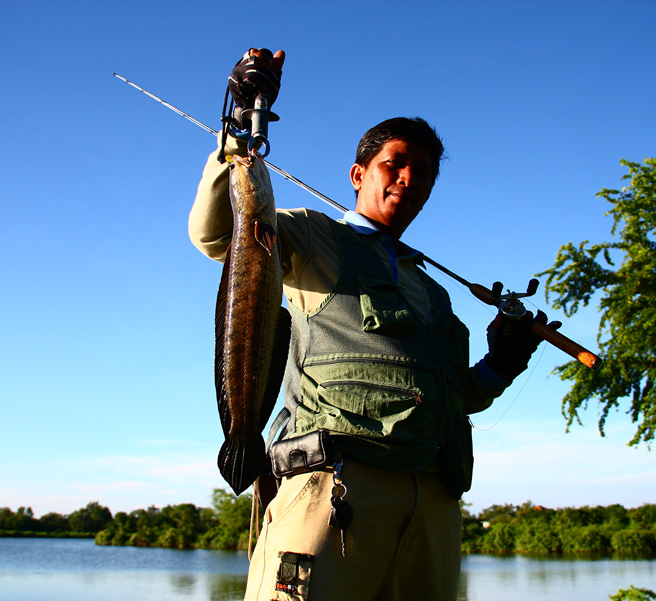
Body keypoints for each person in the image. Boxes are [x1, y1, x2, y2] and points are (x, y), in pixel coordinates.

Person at [189, 49, 556, 601]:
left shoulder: (433, 291)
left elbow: (459, 398)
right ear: (359, 173)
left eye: (424, 174)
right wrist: (242, 123)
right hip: (331, 498)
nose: (410, 180)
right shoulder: (314, 238)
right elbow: (219, 235)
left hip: (433, 513)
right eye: (395, 164)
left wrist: (505, 361)